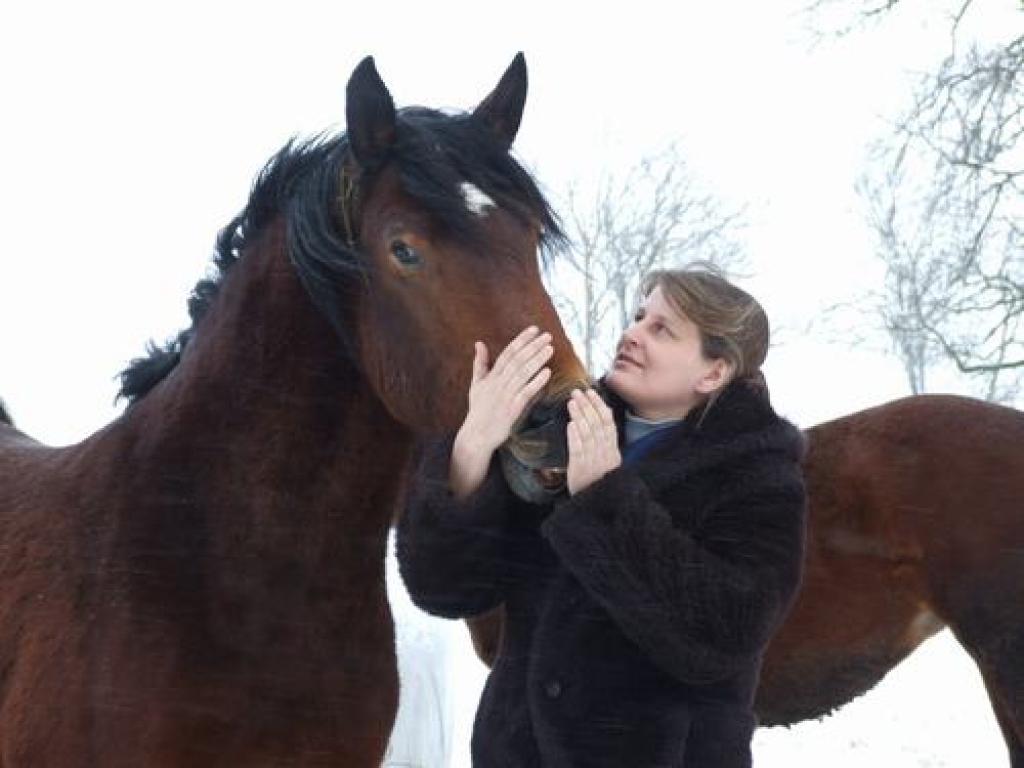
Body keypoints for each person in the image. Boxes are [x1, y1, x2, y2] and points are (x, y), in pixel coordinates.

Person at [396, 263, 807, 767]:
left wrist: (604, 502)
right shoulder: (555, 437)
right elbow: (444, 587)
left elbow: (726, 632)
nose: (632, 334)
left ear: (714, 371)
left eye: (662, 329)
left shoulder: (759, 478)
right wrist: (473, 446)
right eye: (638, 317)